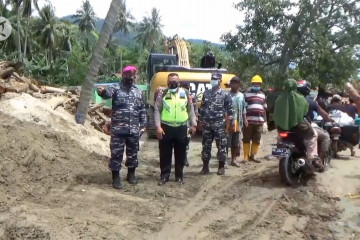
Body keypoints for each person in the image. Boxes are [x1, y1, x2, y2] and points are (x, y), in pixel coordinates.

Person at [97, 65, 147, 190]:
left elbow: (141, 109)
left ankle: (131, 174)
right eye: (127, 74)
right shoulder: (115, 88)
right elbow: (106, 94)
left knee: (133, 153)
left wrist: (143, 124)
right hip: (118, 128)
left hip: (133, 128)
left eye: (132, 74)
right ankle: (116, 177)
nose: (130, 76)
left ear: (135, 76)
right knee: (116, 153)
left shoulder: (138, 91)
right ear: (123, 75)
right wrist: (101, 91)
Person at [154, 73, 197, 185]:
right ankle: (164, 176)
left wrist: (193, 124)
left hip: (181, 127)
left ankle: (179, 176)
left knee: (181, 154)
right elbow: (157, 110)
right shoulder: (162, 93)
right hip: (165, 127)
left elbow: (190, 109)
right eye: (170, 81)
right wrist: (158, 126)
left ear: (178, 82)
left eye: (175, 81)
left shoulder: (185, 93)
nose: (172, 83)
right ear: (167, 82)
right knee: (165, 154)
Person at [274, 79, 321, 167]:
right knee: (313, 134)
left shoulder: (279, 98)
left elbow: (275, 112)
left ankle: (279, 151)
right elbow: (304, 111)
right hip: (298, 126)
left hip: (281, 126)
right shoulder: (300, 98)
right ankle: (311, 156)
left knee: (280, 136)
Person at [198, 73, 235, 175]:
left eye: (215, 79)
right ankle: (205, 167)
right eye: (212, 79)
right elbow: (202, 108)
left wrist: (231, 123)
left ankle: (221, 167)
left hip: (220, 124)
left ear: (220, 81)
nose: (213, 81)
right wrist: (200, 121)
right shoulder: (206, 93)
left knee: (221, 146)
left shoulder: (225, 94)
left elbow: (230, 110)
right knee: (206, 146)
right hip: (207, 125)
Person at [297, 80, 332, 168]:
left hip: (288, 127)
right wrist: (330, 120)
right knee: (325, 137)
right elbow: (323, 114)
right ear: (308, 90)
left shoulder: (289, 100)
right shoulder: (310, 101)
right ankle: (316, 160)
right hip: (304, 127)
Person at [243, 75, 268, 162]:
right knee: (246, 138)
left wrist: (265, 122)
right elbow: (243, 109)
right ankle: (246, 156)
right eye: (255, 83)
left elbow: (264, 109)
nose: (257, 85)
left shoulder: (263, 95)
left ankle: (253, 156)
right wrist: (244, 119)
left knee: (256, 139)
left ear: (260, 85)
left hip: (259, 121)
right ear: (252, 83)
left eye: (258, 84)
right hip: (248, 121)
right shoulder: (246, 94)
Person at [226, 76, 246, 167]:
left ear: (239, 85)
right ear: (230, 84)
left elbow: (244, 108)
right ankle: (224, 160)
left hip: (238, 122)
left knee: (235, 142)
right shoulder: (226, 95)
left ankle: (233, 160)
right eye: (232, 83)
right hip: (228, 122)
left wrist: (245, 119)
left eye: (236, 83)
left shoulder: (241, 95)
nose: (234, 85)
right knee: (226, 142)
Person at [179, 81, 198, 167]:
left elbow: (194, 108)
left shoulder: (192, 97)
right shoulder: (178, 95)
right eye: (184, 86)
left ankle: (184, 158)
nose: (186, 88)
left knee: (186, 140)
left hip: (188, 121)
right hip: (179, 120)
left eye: (187, 87)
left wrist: (195, 120)